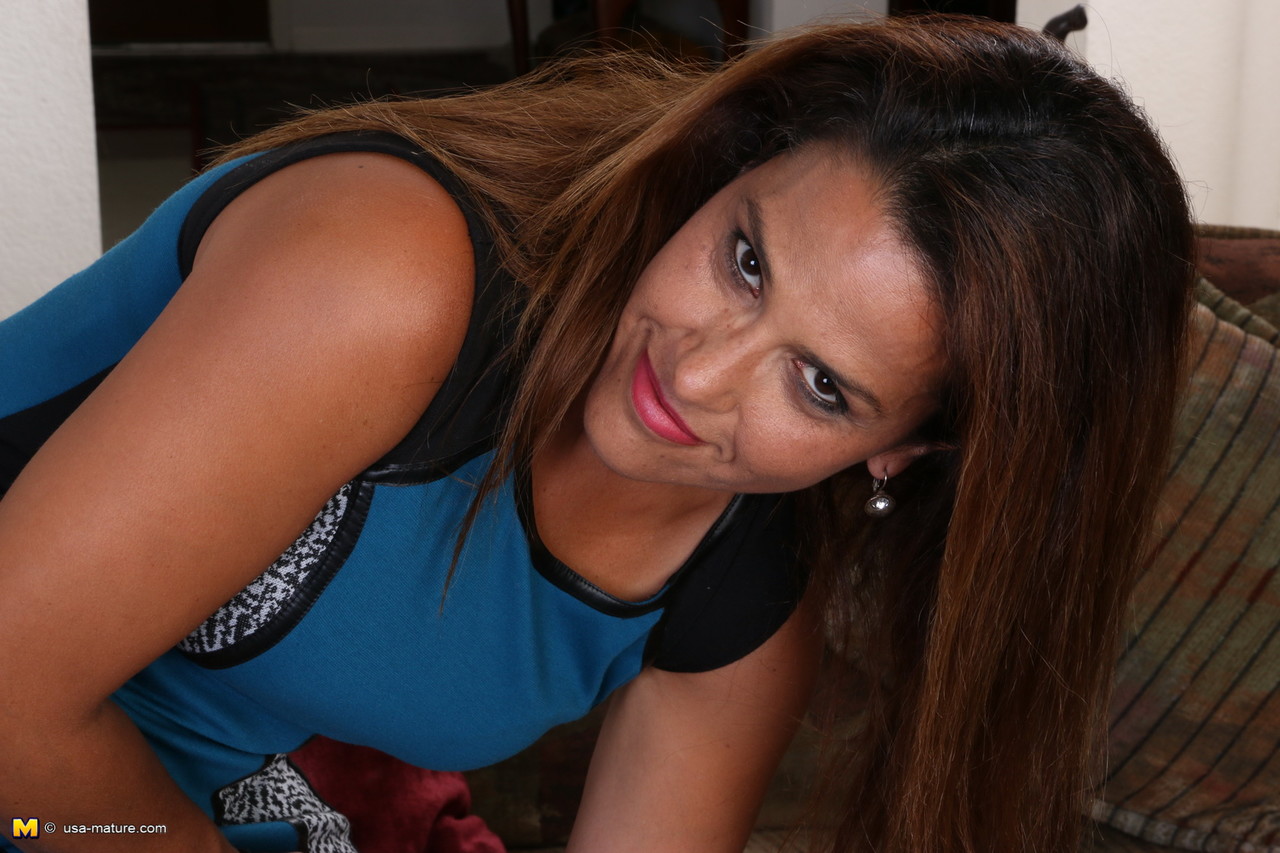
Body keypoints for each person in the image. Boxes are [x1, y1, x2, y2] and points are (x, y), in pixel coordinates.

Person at [0, 15, 1194, 853]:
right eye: (743, 260)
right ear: (732, 164)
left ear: (908, 453)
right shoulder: (388, 276)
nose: (698, 373)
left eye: (820, 386)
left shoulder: (735, 611)